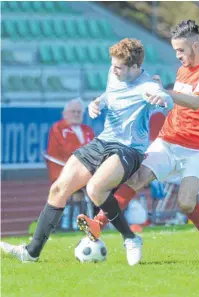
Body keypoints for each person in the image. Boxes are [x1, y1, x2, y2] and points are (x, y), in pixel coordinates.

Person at [0, 38, 173, 266]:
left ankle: (131, 238)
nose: (113, 70)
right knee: (59, 188)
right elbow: (109, 95)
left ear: (134, 67)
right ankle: (31, 252)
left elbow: (167, 101)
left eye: (119, 67)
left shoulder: (148, 86)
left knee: (95, 189)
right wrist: (97, 103)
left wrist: (162, 98)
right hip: (102, 141)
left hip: (129, 148)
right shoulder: (115, 74)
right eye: (112, 65)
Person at [80, 20, 199, 262]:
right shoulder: (183, 70)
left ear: (196, 45)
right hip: (169, 139)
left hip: (197, 148)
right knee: (137, 178)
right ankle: (97, 224)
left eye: (181, 50)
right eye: (175, 51)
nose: (178, 56)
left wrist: (163, 92)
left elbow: (196, 102)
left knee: (186, 202)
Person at [44, 98, 95, 230]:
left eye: (79, 112)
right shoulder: (58, 128)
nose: (76, 115)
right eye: (73, 111)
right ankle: (70, 219)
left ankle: (99, 220)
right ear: (65, 113)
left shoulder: (87, 130)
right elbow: (67, 150)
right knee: (76, 187)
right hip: (63, 169)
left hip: (85, 170)